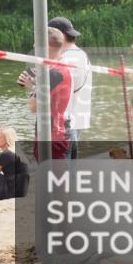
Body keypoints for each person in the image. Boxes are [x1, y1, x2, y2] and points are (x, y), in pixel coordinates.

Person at [20, 27, 72, 160]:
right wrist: (34, 84)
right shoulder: (60, 67)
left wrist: (33, 87)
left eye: (36, 43)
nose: (33, 46)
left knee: (53, 179)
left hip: (52, 137)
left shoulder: (53, 73)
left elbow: (33, 107)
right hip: (55, 132)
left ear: (46, 47)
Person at [47, 17, 91, 159]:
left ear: (61, 36)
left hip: (68, 121)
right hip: (74, 119)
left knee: (62, 169)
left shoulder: (71, 57)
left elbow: (61, 86)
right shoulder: (77, 54)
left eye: (50, 33)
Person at [0, 127, 29, 200]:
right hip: (22, 190)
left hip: (11, 192)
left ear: (7, 139)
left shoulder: (6, 154)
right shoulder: (17, 151)